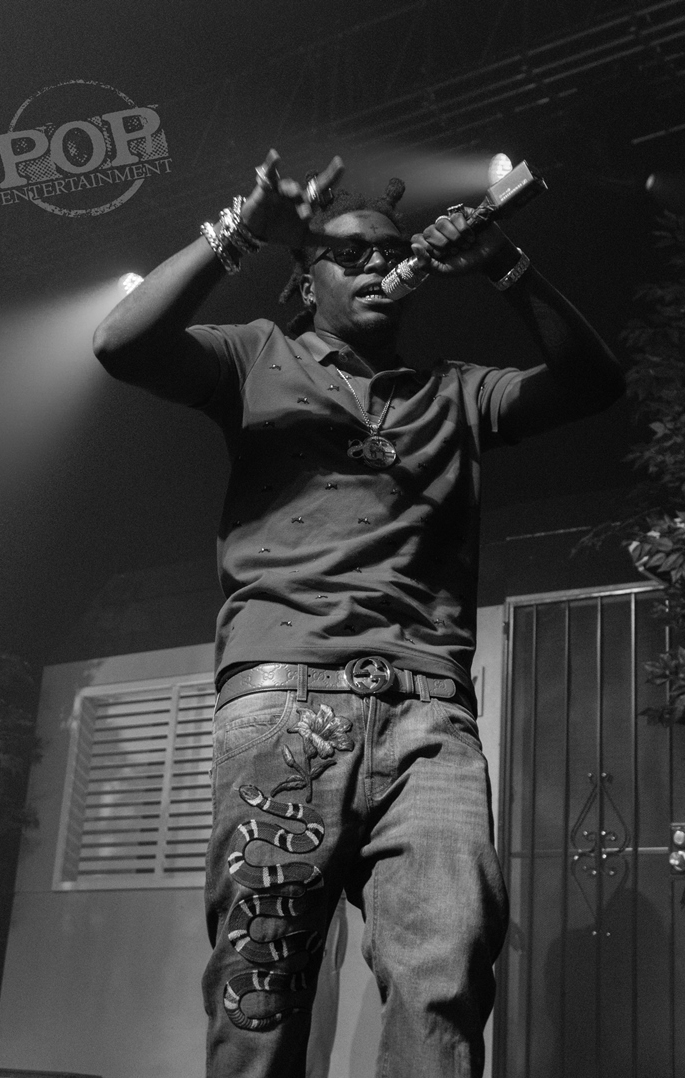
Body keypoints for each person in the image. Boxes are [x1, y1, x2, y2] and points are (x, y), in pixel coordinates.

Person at [93, 148, 624, 1078]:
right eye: (351, 253)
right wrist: (241, 230)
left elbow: (593, 384)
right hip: (283, 705)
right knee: (260, 997)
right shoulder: (258, 355)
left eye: (391, 250)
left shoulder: (455, 392)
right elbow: (121, 345)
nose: (379, 262)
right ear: (308, 281)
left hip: (429, 719)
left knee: (446, 978)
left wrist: (505, 264)